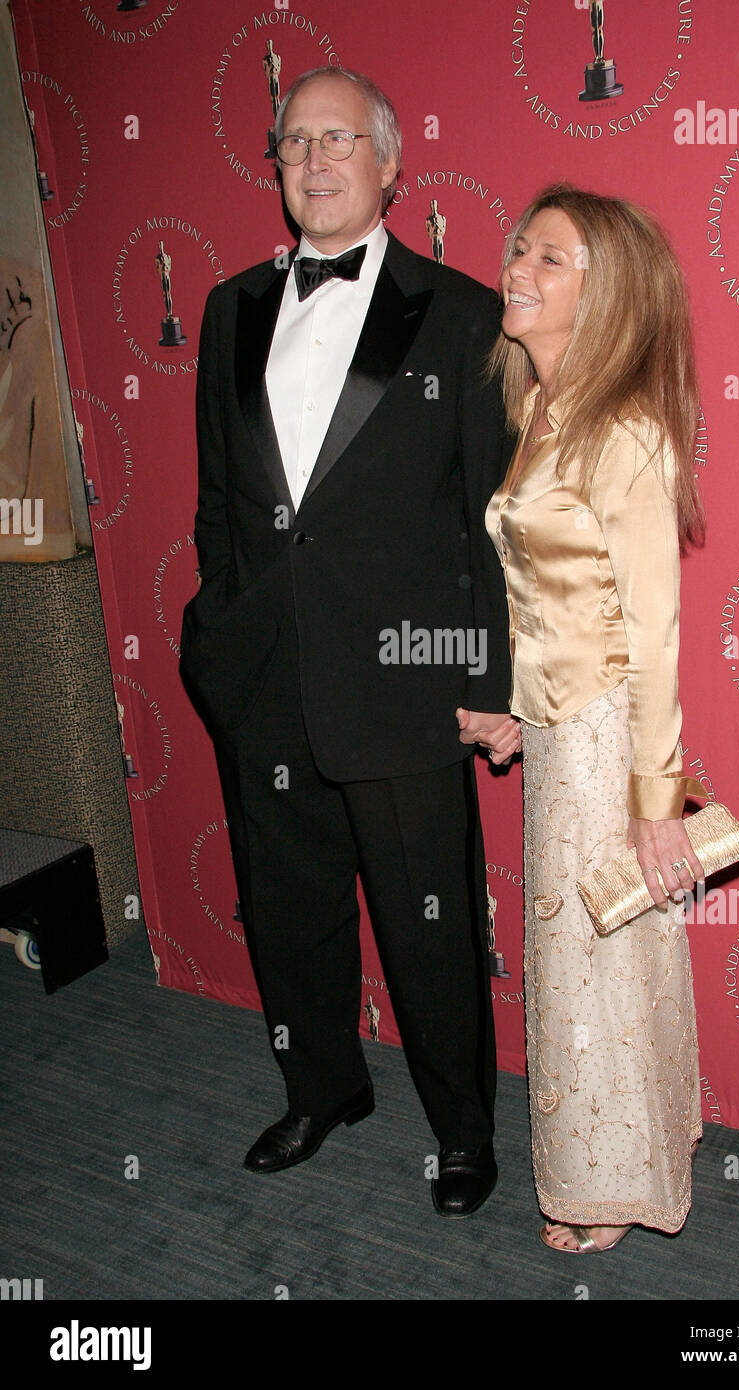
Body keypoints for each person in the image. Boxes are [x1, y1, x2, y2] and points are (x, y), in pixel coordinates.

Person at [179, 66, 520, 1217]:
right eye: (291, 142)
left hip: (409, 679)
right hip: (265, 667)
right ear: (273, 167)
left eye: (337, 139)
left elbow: (494, 521)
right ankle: (322, 1086)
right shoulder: (228, 307)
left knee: (428, 919)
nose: (313, 160)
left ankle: (463, 1128)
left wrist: (488, 681)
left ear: (388, 162)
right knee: (288, 902)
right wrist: (218, 628)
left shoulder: (464, 311)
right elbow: (220, 498)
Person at [484, 183, 707, 1252]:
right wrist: (520, 714)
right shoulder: (537, 411)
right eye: (519, 248)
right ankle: (625, 1152)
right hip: (560, 733)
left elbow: (654, 632)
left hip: (610, 742)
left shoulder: (623, 431)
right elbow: (561, 600)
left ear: (604, 294)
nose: (516, 269)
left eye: (551, 259)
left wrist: (656, 803)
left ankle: (610, 1183)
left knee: (597, 960)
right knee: (590, 958)